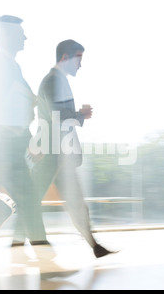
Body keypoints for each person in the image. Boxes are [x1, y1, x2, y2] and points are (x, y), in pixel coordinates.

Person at [33, 39, 115, 258]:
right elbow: (56, 117)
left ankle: (94, 245)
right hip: (51, 152)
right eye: (78, 58)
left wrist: (78, 115)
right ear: (64, 58)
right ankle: (38, 248)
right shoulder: (53, 81)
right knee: (30, 200)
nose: (80, 64)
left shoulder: (58, 81)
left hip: (60, 153)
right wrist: (81, 115)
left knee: (76, 201)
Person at [0, 15, 47, 245]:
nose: (25, 37)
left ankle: (41, 254)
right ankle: (44, 257)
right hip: (4, 147)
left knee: (25, 200)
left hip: (10, 146)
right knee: (25, 201)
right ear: (5, 35)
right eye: (20, 33)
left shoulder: (10, 66)